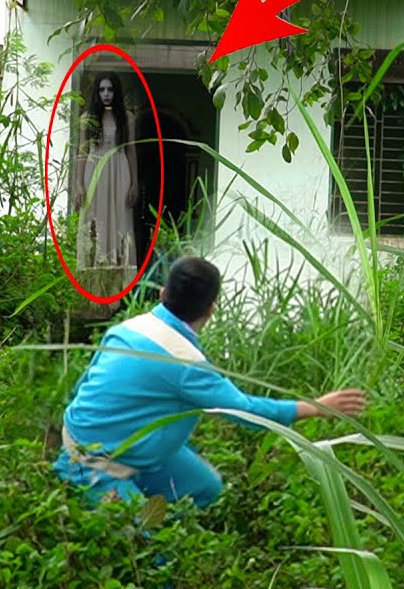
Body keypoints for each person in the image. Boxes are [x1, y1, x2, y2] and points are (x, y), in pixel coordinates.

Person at [54, 256, 368, 507]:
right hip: (91, 462)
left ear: (162, 293)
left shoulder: (126, 328)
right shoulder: (186, 365)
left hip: (114, 445)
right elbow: (245, 411)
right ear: (211, 309)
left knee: (204, 487)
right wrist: (314, 407)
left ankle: (154, 514)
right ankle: (145, 538)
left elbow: (82, 387)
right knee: (147, 551)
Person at [75, 72, 138, 270]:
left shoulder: (127, 117)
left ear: (116, 92)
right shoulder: (87, 118)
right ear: (96, 92)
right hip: (94, 172)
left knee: (120, 219)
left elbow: (131, 149)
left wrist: (135, 183)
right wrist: (78, 184)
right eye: (102, 89)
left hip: (120, 170)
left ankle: (117, 282)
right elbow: (82, 151)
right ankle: (93, 279)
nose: (106, 94)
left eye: (110, 89)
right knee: (93, 219)